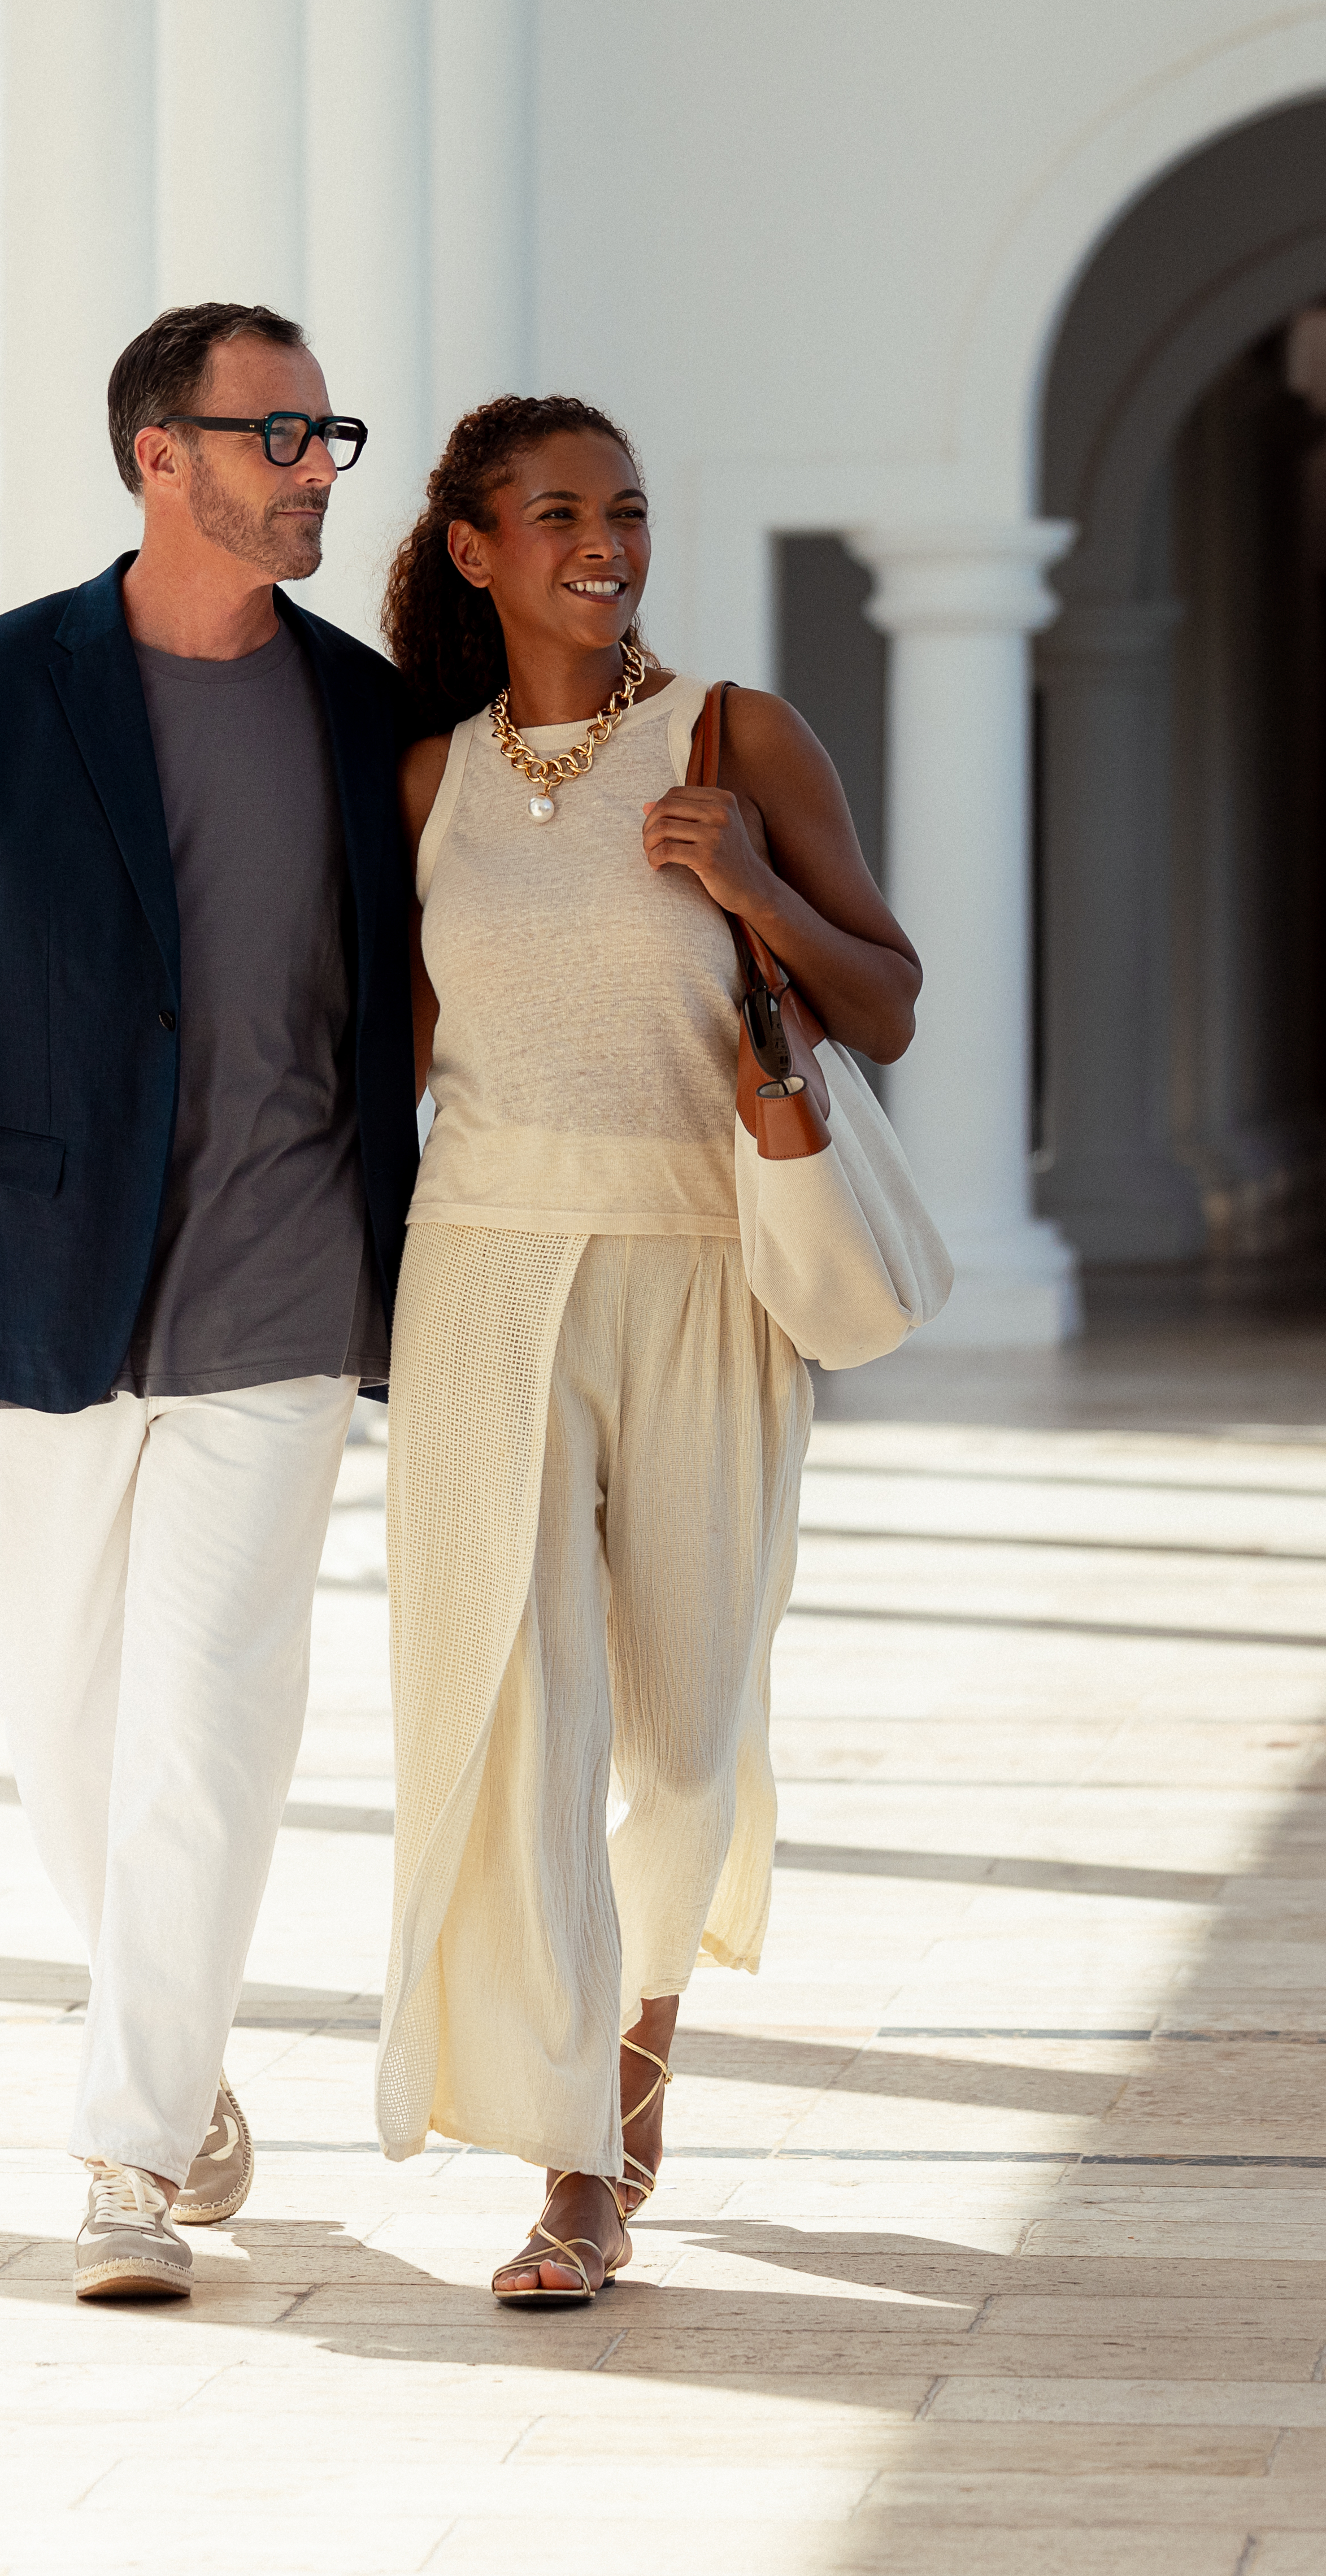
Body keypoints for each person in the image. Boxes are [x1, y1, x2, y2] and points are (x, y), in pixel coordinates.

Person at [0, 302, 418, 2304]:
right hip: (36, 1284)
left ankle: (125, 2157)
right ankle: (171, 2056)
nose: (317, 465)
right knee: (56, 1720)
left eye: (328, 432)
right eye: (277, 434)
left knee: (208, 1729)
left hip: (286, 1280)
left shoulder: (365, 713)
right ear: (159, 455)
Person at [370, 396, 920, 2308]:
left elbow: (891, 1002)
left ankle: (642, 2054)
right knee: (513, 1720)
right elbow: (395, 1056)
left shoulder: (731, 736)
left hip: (698, 1262)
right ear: (472, 548)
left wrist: (752, 885)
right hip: (481, 1266)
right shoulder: (426, 773)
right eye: (555, 515)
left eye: (626, 512)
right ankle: (572, 2164)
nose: (602, 544)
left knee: (684, 1733)